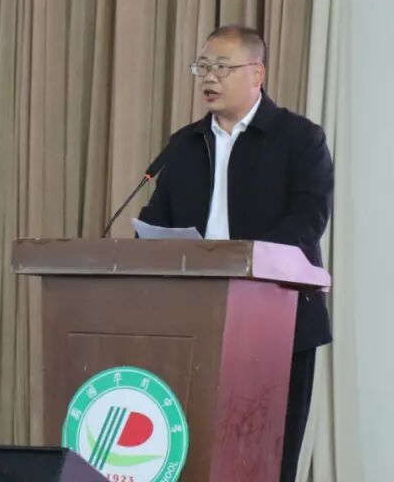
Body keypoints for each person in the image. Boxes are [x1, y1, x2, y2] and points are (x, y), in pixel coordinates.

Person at [138, 24, 333, 482]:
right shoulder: (185, 144)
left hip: (279, 319)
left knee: (270, 458)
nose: (210, 77)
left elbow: (308, 220)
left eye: (222, 68)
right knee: (199, 455)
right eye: (203, 67)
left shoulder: (299, 139)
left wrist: (242, 263)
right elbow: (157, 222)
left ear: (257, 73)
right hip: (193, 323)